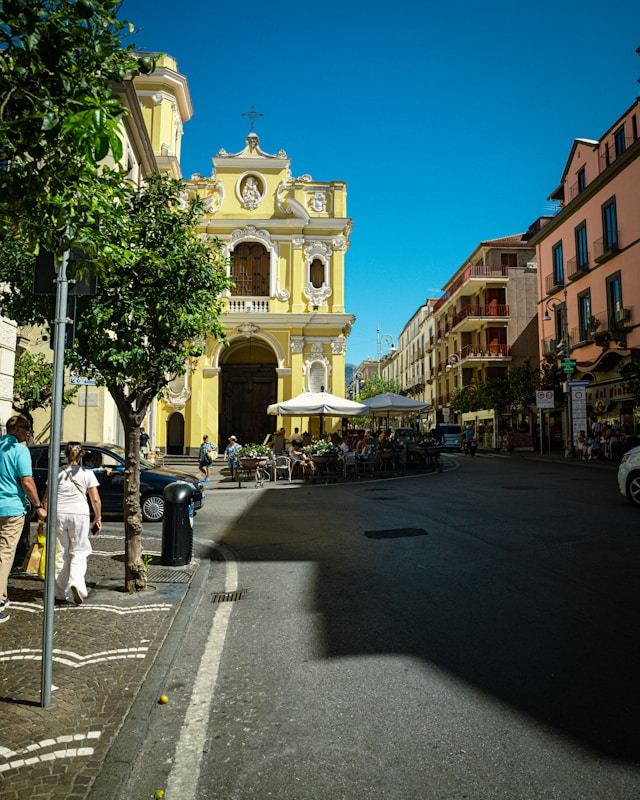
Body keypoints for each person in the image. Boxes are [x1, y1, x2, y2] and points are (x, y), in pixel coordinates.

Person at [0, 416, 47, 623]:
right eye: (26, 428)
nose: (28, 432)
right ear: (15, 429)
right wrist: (38, 506)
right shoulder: (19, 450)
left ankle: (3, 595)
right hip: (11, 508)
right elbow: (27, 481)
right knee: (5, 554)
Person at [43, 442, 102, 605]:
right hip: (80, 514)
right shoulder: (87, 473)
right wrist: (98, 518)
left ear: (65, 454)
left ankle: (61, 592)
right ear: (81, 455)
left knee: (60, 552)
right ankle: (76, 582)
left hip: (58, 513)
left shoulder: (56, 472)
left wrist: (44, 517)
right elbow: (95, 499)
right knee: (79, 550)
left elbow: (46, 498)